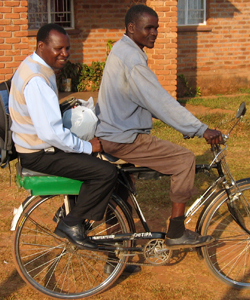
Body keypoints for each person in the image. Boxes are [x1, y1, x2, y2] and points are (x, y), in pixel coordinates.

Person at [95, 5, 224, 249]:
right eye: (148, 28)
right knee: (184, 159)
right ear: (132, 28)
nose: (154, 33)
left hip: (112, 132)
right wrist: (200, 129)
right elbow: (160, 101)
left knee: (121, 191)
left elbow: (149, 102)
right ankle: (176, 231)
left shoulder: (123, 49)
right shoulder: (132, 59)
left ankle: (116, 255)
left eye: (156, 28)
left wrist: (185, 126)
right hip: (124, 137)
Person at [9, 23, 116, 250]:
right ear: (41, 46)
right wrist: (87, 146)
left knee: (89, 166)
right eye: (59, 48)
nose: (65, 54)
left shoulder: (33, 65)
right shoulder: (37, 80)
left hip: (35, 146)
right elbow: (50, 132)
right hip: (38, 152)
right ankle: (71, 222)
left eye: (68, 48)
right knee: (106, 172)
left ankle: (70, 210)